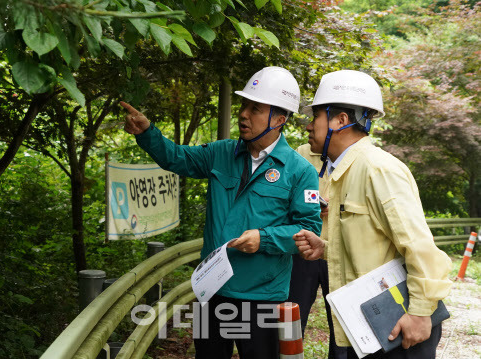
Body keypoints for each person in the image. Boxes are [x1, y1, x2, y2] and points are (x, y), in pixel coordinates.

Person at [121, 66, 322, 359]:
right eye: (244, 105)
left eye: (255, 108)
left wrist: (263, 238)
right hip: (211, 290)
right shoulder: (221, 153)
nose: (243, 114)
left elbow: (308, 230)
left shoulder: (300, 171)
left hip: (262, 296)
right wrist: (147, 133)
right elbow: (176, 158)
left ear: (279, 119)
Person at [293, 70, 452, 359]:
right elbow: (373, 247)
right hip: (367, 325)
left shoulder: (378, 170)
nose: (308, 125)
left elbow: (419, 248)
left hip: (399, 327)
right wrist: (326, 249)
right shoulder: (344, 171)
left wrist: (419, 313)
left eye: (315, 116)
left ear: (340, 120)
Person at [288, 143, 347, 359]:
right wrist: (315, 203)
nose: (311, 127)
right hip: (304, 247)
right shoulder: (303, 153)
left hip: (340, 250)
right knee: (293, 313)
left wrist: (341, 204)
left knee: (342, 322)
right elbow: (290, 189)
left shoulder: (357, 157)